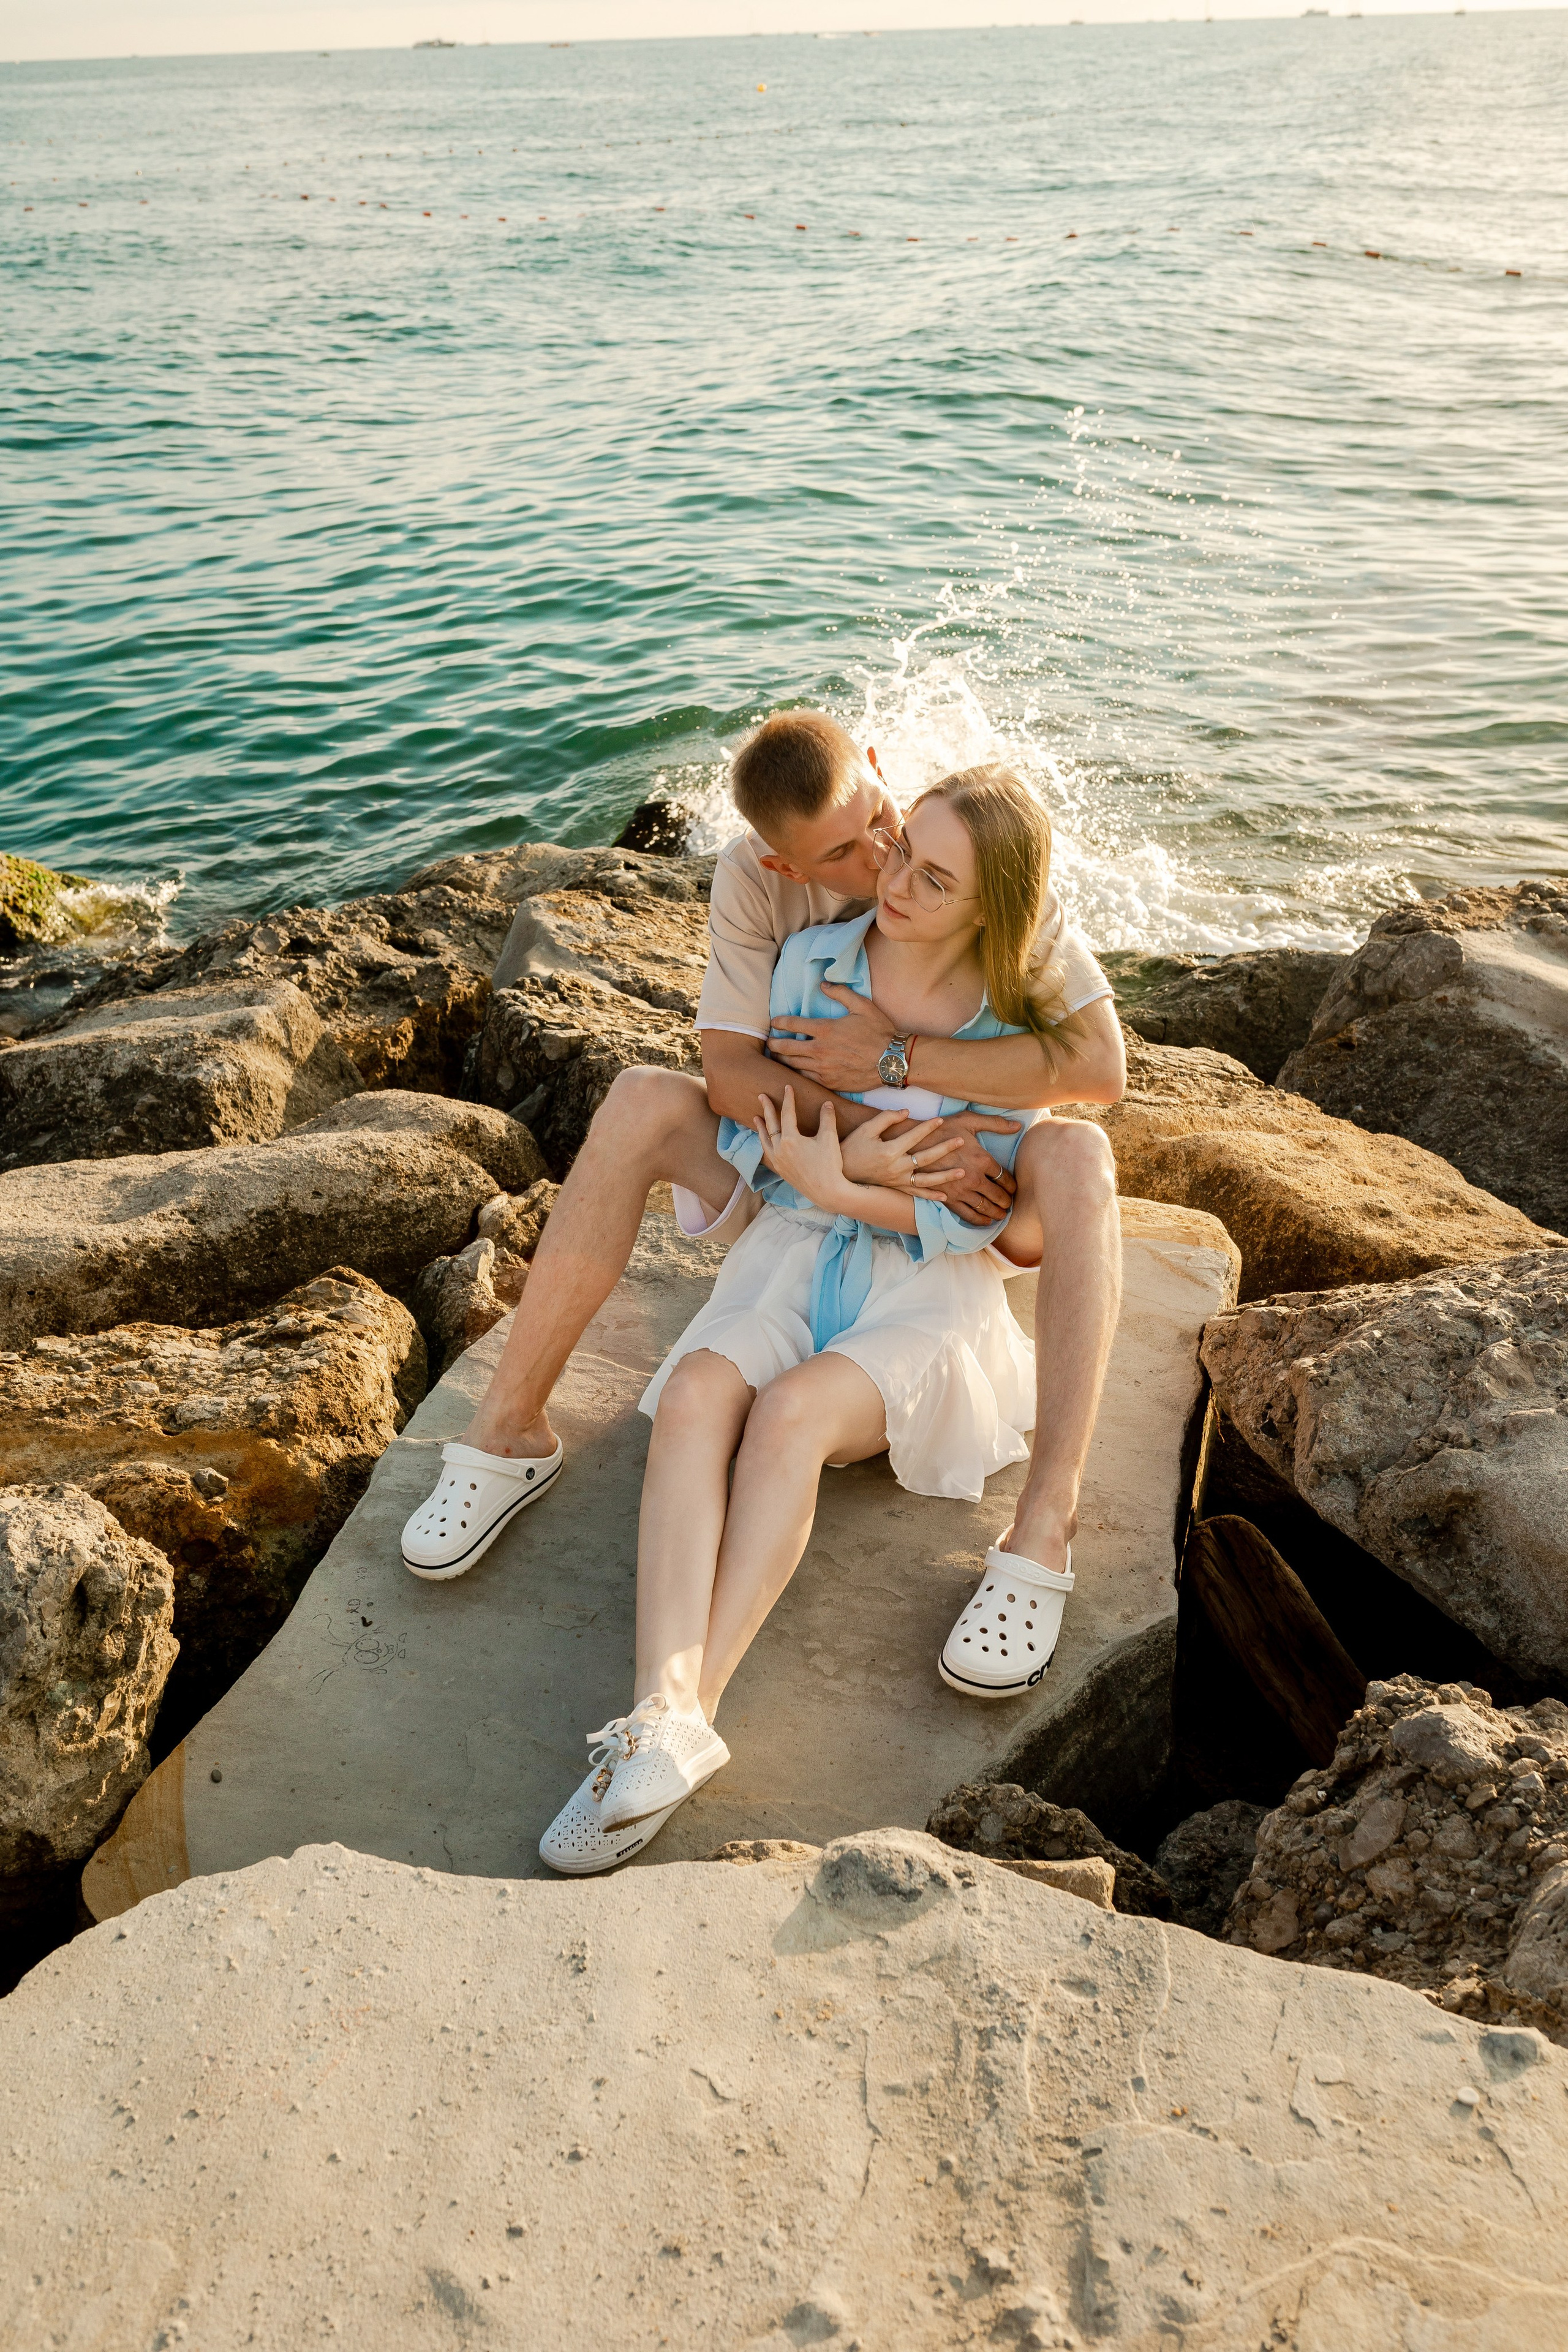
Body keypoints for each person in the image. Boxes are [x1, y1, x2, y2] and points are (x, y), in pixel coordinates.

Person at [401, 709, 1123, 1639]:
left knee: (1080, 1154)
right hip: (804, 1162)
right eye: (841, 856)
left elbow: (1099, 1066)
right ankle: (507, 1432)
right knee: (640, 1100)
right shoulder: (758, 885)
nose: (879, 864)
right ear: (786, 866)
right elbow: (732, 1073)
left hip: (963, 1189)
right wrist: (868, 1150)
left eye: (881, 824)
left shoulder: (962, 846)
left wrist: (898, 1061)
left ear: (875, 768)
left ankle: (1044, 1525)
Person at [533, 764, 1107, 1871]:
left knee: (790, 1414)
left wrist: (848, 1179)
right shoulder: (812, 963)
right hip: (793, 1257)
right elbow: (774, 1154)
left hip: (926, 1291)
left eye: (933, 879)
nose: (894, 882)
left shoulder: (1011, 1017)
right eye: (900, 853)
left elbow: (969, 1214)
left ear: (990, 906)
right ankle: (663, 1717)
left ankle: (697, 1704)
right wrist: (830, 1168)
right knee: (700, 1391)